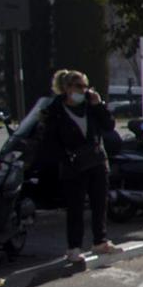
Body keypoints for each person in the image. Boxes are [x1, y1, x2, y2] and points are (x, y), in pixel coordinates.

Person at [38, 68, 118, 266]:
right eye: (78, 86)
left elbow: (109, 126)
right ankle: (74, 247)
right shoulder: (55, 111)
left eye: (85, 86)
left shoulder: (91, 107)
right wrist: (65, 158)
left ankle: (100, 241)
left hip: (97, 161)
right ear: (66, 88)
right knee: (75, 208)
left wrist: (98, 105)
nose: (82, 91)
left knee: (100, 203)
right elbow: (49, 141)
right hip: (73, 165)